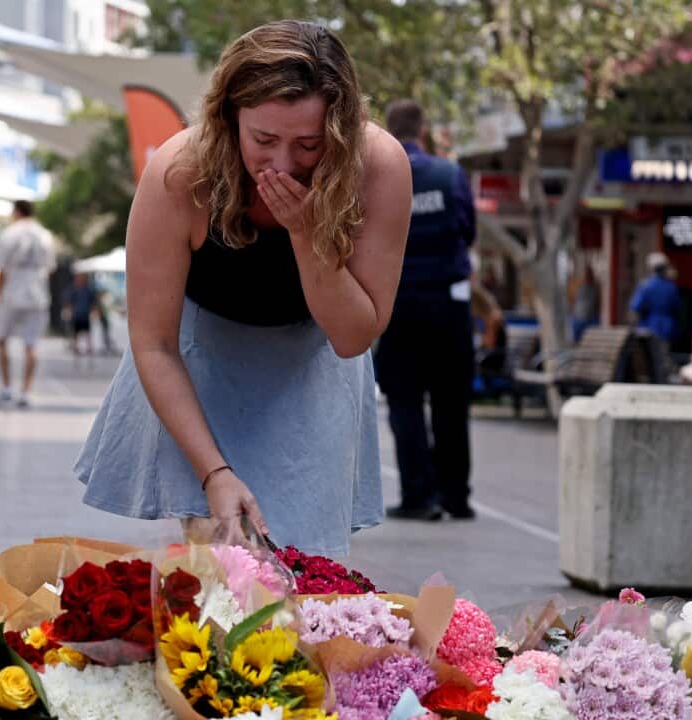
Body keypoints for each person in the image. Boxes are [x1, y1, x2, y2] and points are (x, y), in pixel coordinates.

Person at [75, 21, 412, 555]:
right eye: (263, 140)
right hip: (198, 360)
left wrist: (307, 234)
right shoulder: (180, 173)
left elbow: (352, 337)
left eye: (309, 145)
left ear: (342, 131)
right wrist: (214, 473)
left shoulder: (378, 167)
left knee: (306, 557)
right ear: (229, 118)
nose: (283, 164)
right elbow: (154, 344)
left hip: (312, 357)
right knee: (221, 563)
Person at [374, 100, 477, 522]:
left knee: (405, 402)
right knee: (452, 403)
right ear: (423, 129)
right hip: (448, 306)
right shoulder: (449, 175)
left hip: (397, 305)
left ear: (388, 129)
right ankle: (455, 496)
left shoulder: (377, 177)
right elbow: (467, 229)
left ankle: (419, 495)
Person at [0, 200, 56, 408]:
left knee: (1, 339)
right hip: (37, 293)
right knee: (31, 344)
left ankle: (7, 387)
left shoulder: (8, 234)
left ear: (17, 212)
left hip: (12, 291)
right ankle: (25, 391)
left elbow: (1, 268)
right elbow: (50, 268)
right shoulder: (45, 235)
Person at [630, 252, 681, 343]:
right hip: (668, 328)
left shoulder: (645, 286)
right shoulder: (671, 287)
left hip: (649, 326)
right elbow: (677, 307)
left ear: (650, 268)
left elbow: (636, 307)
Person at [66, 272, 96, 356]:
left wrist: (93, 310)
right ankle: (76, 347)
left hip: (85, 313)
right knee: (76, 332)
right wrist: (69, 310)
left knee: (87, 332)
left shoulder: (88, 289)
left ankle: (89, 347)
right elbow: (69, 300)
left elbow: (92, 301)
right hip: (77, 314)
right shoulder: (74, 289)